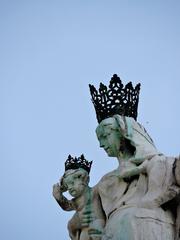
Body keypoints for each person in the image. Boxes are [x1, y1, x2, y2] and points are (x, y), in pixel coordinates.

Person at [94, 114, 180, 240]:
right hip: (112, 232)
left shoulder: (161, 163)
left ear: (123, 133)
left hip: (151, 226)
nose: (101, 144)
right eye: (99, 139)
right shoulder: (104, 180)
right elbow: (94, 222)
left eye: (105, 136)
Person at [53, 155, 105, 240]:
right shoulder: (75, 201)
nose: (70, 187)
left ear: (85, 180)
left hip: (98, 224)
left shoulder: (95, 191)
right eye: (67, 185)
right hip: (84, 230)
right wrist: (58, 196)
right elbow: (66, 206)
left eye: (72, 183)